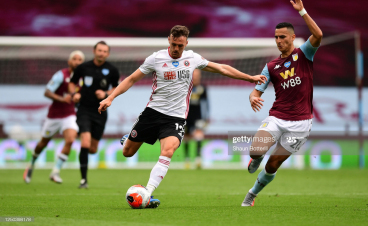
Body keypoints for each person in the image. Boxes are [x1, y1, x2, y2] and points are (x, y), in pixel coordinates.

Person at [98, 25, 267, 208]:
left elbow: (221, 68)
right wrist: (111, 97)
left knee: (168, 151)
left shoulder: (192, 58)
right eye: (174, 44)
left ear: (186, 42)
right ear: (168, 40)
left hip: (176, 118)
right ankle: (128, 139)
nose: (177, 49)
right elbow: (131, 79)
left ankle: (147, 193)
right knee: (127, 152)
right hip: (153, 113)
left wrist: (249, 78)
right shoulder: (156, 59)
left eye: (180, 45)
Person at [241, 0, 323, 207]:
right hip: (277, 117)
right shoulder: (270, 67)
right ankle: (256, 158)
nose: (278, 41)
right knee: (256, 149)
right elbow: (257, 91)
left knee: (273, 165)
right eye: (276, 37)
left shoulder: (304, 54)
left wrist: (302, 11)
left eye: (282, 37)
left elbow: (318, 34)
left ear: (292, 37)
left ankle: (252, 193)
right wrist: (252, 97)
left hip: (301, 123)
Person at [23, 50, 85, 184]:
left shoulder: (83, 79)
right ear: (69, 61)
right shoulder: (61, 75)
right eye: (74, 59)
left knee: (70, 139)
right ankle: (31, 164)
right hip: (54, 116)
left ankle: (55, 171)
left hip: (69, 114)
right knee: (42, 143)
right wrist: (61, 99)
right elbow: (47, 92)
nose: (77, 62)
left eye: (80, 60)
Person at [69, 41, 120, 189]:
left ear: (108, 54)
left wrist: (106, 93)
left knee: (92, 149)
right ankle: (83, 180)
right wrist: (74, 94)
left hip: (100, 112)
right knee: (85, 143)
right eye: (99, 50)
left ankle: (85, 166)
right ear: (94, 51)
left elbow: (117, 88)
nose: (101, 53)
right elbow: (72, 83)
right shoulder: (83, 67)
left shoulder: (112, 70)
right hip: (84, 109)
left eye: (104, 51)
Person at [183, 69, 209, 169]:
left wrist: (206, 118)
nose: (196, 77)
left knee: (199, 135)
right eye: (194, 75)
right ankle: (187, 159)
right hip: (186, 116)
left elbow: (206, 104)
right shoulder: (185, 87)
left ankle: (198, 159)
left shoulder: (202, 88)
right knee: (186, 137)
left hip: (198, 116)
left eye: (198, 75)